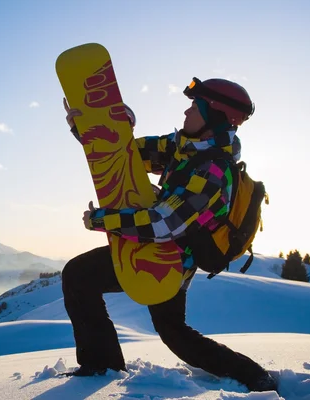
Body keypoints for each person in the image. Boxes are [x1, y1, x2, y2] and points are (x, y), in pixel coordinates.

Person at [61, 77, 278, 393]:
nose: (187, 111)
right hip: (156, 249)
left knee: (83, 278)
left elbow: (167, 223)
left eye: (195, 106)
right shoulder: (182, 147)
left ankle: (101, 367)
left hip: (173, 259)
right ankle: (253, 376)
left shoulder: (214, 170)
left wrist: (102, 219)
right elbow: (125, 156)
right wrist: (91, 127)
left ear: (215, 116)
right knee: (171, 330)